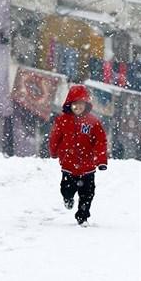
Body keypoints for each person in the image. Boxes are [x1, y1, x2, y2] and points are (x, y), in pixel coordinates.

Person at [49, 84, 107, 227]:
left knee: (87, 194)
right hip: (68, 164)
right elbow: (55, 137)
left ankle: (82, 217)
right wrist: (54, 151)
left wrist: (101, 160)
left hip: (88, 167)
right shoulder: (62, 120)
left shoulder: (93, 122)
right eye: (75, 104)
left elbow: (100, 141)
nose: (78, 107)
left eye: (81, 104)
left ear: (86, 105)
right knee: (66, 188)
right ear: (70, 104)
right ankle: (68, 198)